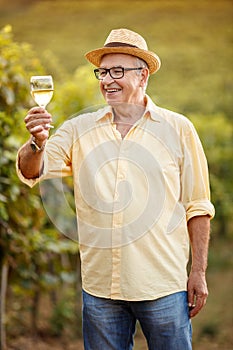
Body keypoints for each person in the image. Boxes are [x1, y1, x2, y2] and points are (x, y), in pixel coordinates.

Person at [17, 28, 215, 350]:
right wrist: (37, 142)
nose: (107, 79)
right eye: (103, 71)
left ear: (143, 76)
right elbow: (32, 170)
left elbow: (198, 206)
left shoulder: (178, 129)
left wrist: (199, 272)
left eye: (118, 71)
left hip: (163, 286)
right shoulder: (77, 129)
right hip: (101, 291)